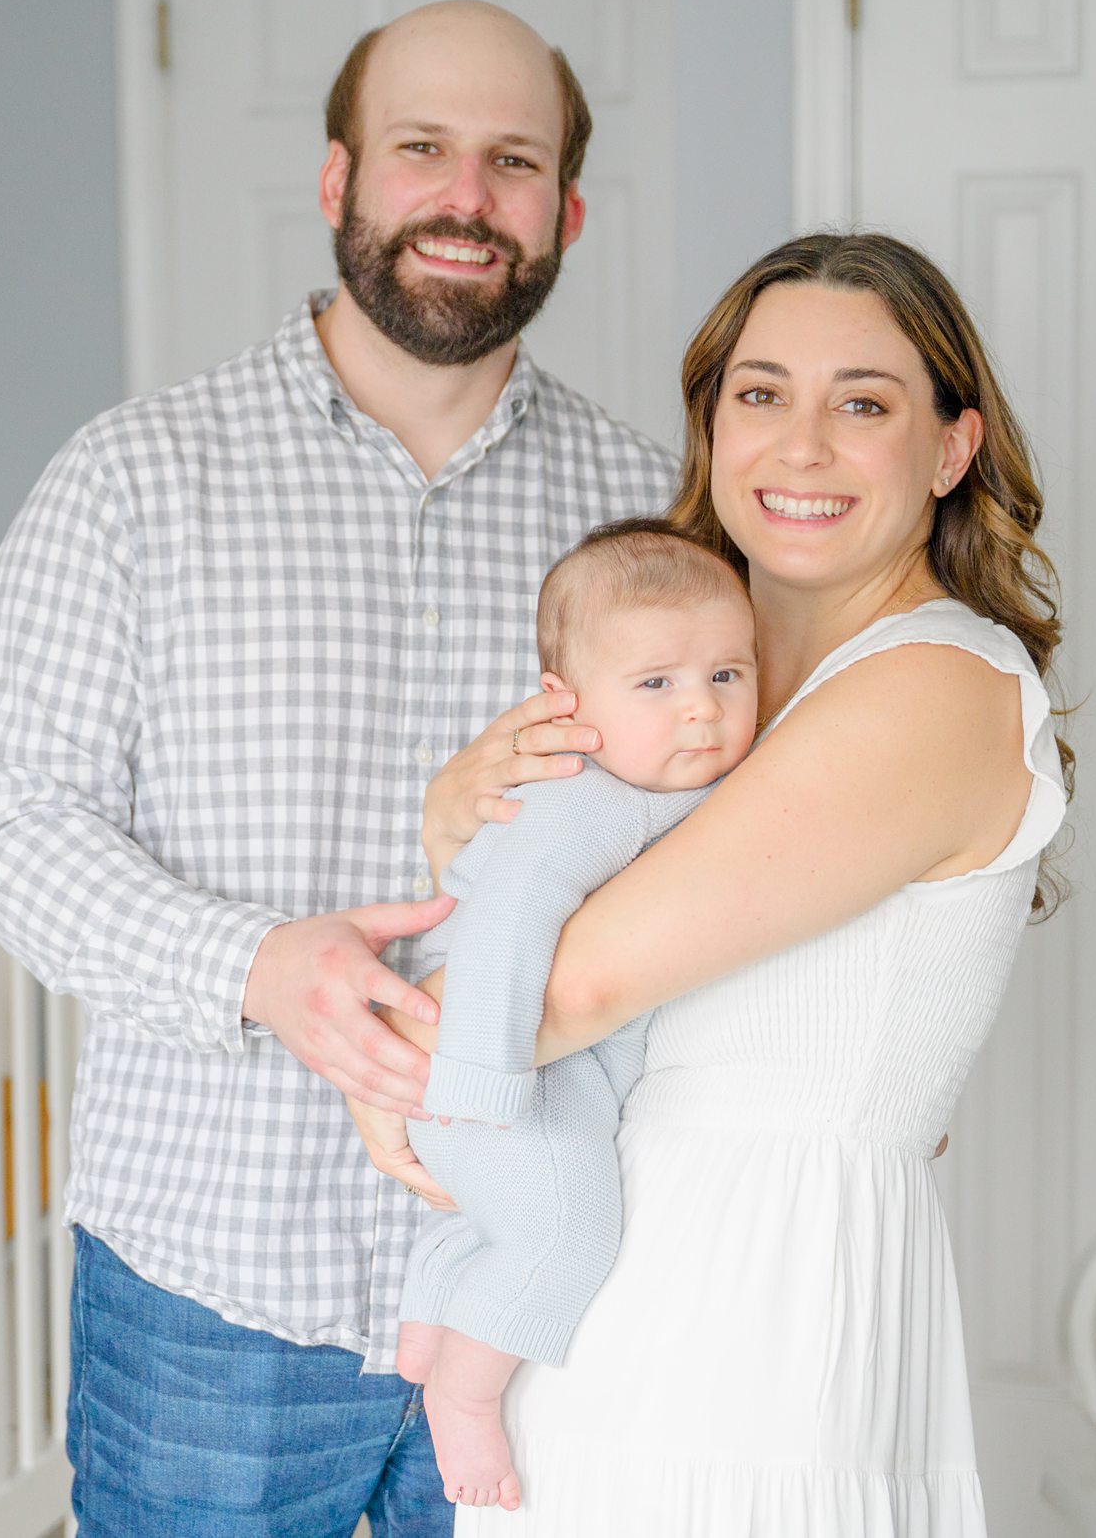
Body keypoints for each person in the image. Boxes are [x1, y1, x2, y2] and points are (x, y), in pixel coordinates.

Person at [0, 0, 676, 1538]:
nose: (466, 198)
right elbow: (13, 826)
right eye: (423, 149)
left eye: (513, 161)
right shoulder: (130, 481)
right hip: (217, 1278)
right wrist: (259, 966)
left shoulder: (656, 516)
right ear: (340, 181)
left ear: (566, 211)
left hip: (543, 1280)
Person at [352, 231, 1072, 1536]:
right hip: (602, 1291)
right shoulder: (691, 689)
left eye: (864, 403)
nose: (799, 447)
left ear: (953, 448)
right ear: (712, 424)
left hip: (760, 1306)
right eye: (760, 393)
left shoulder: (939, 682)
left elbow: (590, 975)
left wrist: (386, 1049)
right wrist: (458, 812)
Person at [397, 521, 759, 1511]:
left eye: (728, 675)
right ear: (564, 703)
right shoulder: (586, 802)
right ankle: (465, 1400)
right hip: (495, 1071)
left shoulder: (670, 788)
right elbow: (501, 930)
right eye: (657, 684)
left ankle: (431, 1317)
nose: (701, 710)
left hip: (537, 1069)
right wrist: (477, 1085)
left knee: (501, 1219)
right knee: (565, 1234)